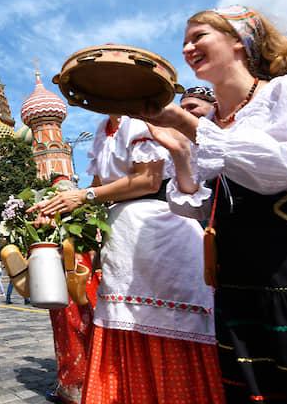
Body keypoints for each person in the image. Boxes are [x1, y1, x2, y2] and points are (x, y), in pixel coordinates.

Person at [141, 5, 287, 402]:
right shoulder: (213, 127)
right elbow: (200, 210)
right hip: (241, 286)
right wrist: (179, 149)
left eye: (198, 37)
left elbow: (282, 168)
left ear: (238, 41)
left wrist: (186, 125)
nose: (188, 48)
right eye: (184, 42)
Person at [33, 114, 224, 403]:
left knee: (165, 325)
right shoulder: (101, 131)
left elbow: (149, 180)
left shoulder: (141, 122)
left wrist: (83, 196)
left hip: (158, 227)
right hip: (121, 232)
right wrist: (55, 212)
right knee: (124, 325)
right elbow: (95, 193)